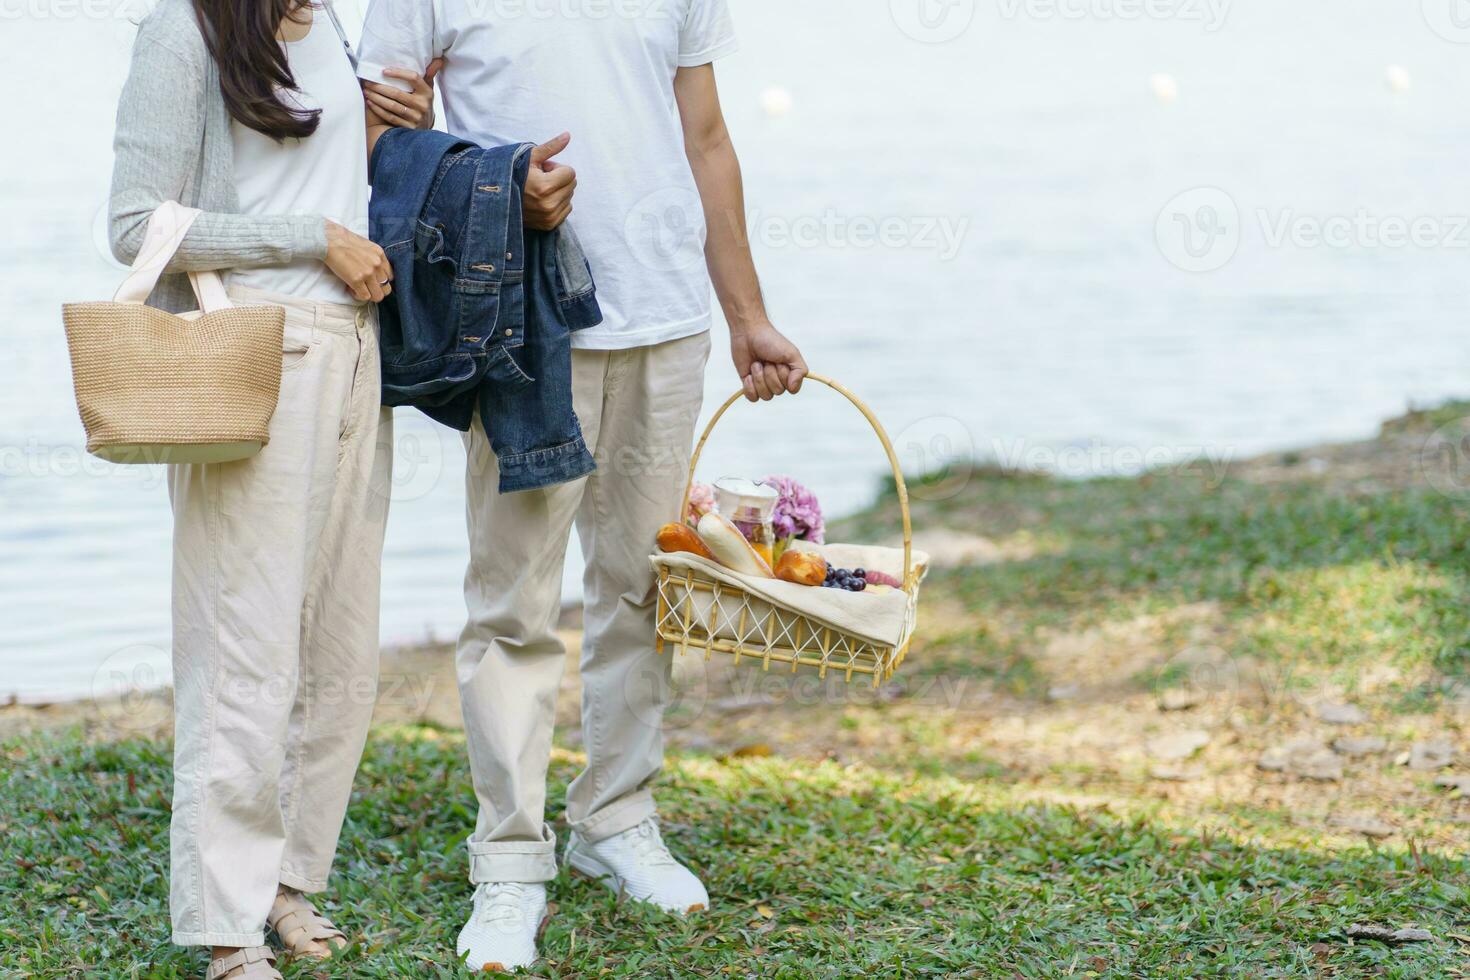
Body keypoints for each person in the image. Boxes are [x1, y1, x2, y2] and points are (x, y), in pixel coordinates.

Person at [356, 0, 810, 970]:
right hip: (518, 318)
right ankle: (511, 860)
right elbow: (380, 141)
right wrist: (496, 187)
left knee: (642, 586)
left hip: (667, 318)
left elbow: (707, 134)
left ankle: (616, 816)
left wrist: (748, 314)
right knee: (514, 604)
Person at [107, 2, 434, 977]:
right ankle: (225, 928)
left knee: (336, 643)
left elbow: (323, 171)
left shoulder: (325, 18)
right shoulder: (184, 29)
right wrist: (315, 237)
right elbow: (136, 223)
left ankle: (286, 880)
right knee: (243, 648)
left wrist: (384, 132)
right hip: (254, 351)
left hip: (354, 352)